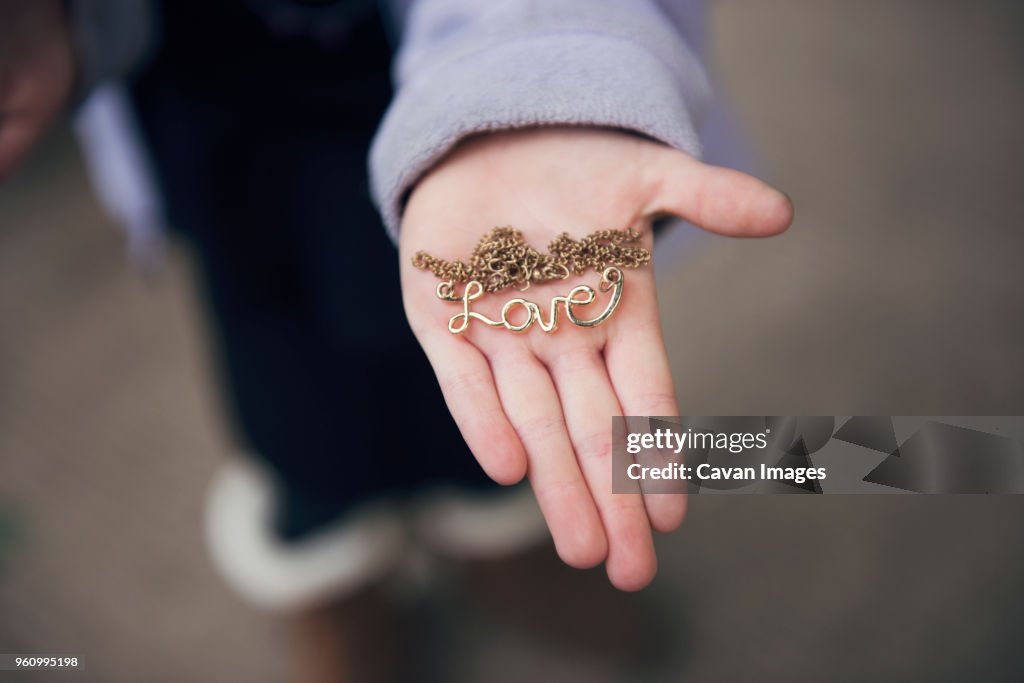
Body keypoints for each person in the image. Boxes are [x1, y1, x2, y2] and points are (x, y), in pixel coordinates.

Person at [0, 0, 793, 679]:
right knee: (289, 392)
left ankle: (499, 548)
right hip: (202, 92)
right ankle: (334, 577)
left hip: (429, 69)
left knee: (487, 392)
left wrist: (538, 74)